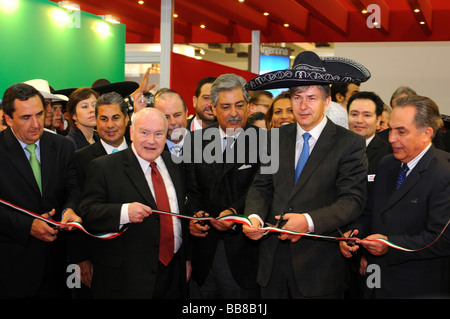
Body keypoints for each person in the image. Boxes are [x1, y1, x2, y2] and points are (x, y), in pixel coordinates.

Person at [242, 50, 370, 299]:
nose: (303, 106)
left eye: (311, 97)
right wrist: (253, 217)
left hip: (319, 267)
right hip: (272, 264)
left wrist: (308, 222)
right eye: (297, 97)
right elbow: (262, 187)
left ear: (327, 100)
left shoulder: (349, 143)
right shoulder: (275, 139)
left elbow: (352, 200)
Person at [340, 95, 450, 298]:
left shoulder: (443, 174)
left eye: (401, 132)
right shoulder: (387, 164)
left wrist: (390, 246)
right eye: (391, 129)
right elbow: (372, 213)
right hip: (376, 281)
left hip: (418, 287)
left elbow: (441, 239)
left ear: (426, 134)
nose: (391, 138)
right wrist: (355, 234)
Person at [78, 107, 189, 298]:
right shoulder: (104, 166)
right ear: (131, 132)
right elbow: (88, 213)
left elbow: (181, 214)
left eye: (158, 134)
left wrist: (187, 258)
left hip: (173, 274)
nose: (151, 141)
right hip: (127, 279)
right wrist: (124, 212)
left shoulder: (176, 164)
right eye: (144, 133)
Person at [0, 83, 82, 298]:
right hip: (12, 268)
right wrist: (28, 226)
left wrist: (70, 211)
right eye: (26, 117)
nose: (36, 124)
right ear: (8, 119)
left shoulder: (62, 146)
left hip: (57, 268)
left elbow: (72, 189)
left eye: (39, 114)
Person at [186, 73, 262, 299]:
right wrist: (195, 216)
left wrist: (235, 214)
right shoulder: (196, 141)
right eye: (226, 106)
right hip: (203, 252)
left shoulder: (265, 141)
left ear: (249, 107)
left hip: (243, 252)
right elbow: (190, 190)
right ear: (214, 108)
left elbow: (261, 189)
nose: (234, 113)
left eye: (239, 105)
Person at [69, 91, 130, 297]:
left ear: (127, 119)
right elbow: (74, 207)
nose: (109, 125)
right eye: (103, 119)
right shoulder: (80, 159)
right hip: (98, 257)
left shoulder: (143, 152)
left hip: (139, 257)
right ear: (96, 121)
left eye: (115, 118)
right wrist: (80, 258)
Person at [347, 91, 392, 194]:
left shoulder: (388, 154)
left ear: (378, 120)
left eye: (367, 115)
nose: (359, 120)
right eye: (354, 114)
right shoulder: (335, 149)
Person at [153, 88, 188, 156]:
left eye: (177, 115)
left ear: (186, 113)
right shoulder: (151, 149)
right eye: (166, 117)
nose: (173, 122)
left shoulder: (202, 144)